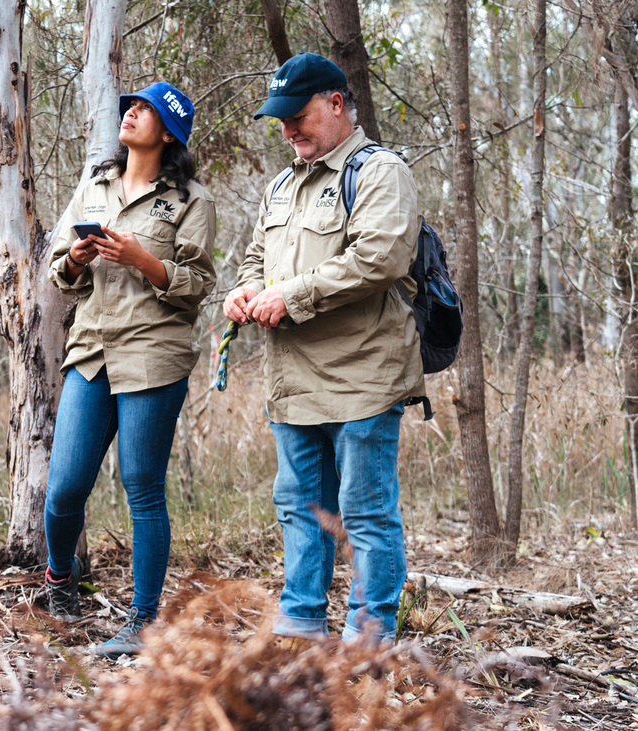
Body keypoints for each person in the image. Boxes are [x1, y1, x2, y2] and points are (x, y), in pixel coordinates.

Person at [224, 53, 424, 645]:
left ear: (337, 103)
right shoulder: (282, 185)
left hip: (363, 377)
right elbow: (255, 258)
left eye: (298, 116)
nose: (288, 130)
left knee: (364, 513)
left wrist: (290, 295)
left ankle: (369, 636)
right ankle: (300, 624)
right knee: (299, 509)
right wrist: (245, 291)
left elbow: (380, 257)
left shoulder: (380, 171)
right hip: (293, 383)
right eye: (280, 120)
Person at [43, 81, 217, 657]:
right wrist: (75, 256)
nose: (131, 113)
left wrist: (144, 260)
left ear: (168, 132)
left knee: (142, 489)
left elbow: (197, 287)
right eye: (129, 107)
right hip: (91, 349)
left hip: (153, 352)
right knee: (65, 486)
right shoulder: (94, 186)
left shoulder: (192, 200)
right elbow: (56, 270)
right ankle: (59, 586)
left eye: (144, 110)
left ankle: (141, 623)